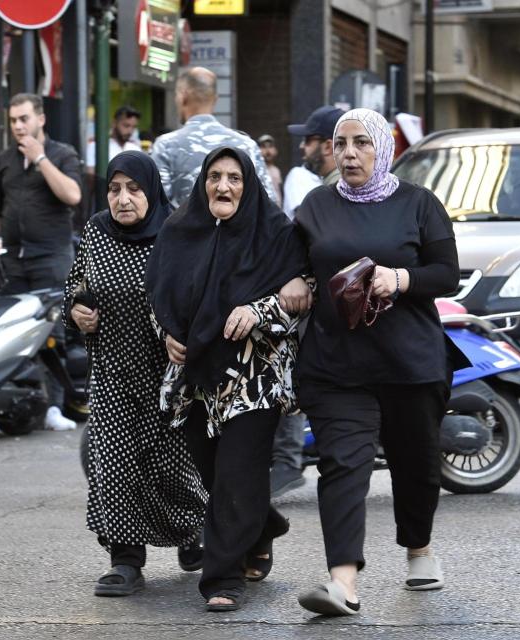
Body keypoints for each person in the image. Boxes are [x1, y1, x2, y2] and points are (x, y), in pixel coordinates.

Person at [293, 108, 464, 616]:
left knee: (416, 465)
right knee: (341, 465)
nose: (349, 153)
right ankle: (342, 582)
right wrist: (294, 280)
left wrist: (401, 279)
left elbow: (447, 273)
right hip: (335, 363)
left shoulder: (419, 204)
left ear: (383, 148)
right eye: (341, 143)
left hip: (409, 361)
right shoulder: (315, 206)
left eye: (361, 143)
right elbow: (294, 261)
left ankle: (419, 548)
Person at [146, 147, 310, 612]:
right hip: (194, 378)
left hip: (253, 376)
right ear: (203, 182)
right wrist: (167, 335)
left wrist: (255, 311)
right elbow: (157, 292)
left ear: (249, 184)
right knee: (215, 474)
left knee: (237, 474)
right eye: (215, 177)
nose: (223, 186)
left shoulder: (275, 232)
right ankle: (263, 526)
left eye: (234, 178)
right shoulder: (180, 230)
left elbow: (303, 294)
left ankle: (223, 578)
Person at [63, 151, 206, 596]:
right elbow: (75, 284)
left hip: (168, 375)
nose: (123, 199)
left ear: (151, 190)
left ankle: (191, 535)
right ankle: (125, 560)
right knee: (115, 463)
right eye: (114, 189)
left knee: (175, 464)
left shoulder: (176, 231)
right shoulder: (96, 232)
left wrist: (178, 330)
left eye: (134, 189)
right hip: (112, 372)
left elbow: (196, 291)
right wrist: (77, 310)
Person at [0, 92, 81, 431]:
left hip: (52, 257)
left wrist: (41, 159)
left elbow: (73, 195)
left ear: (41, 119)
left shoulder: (62, 154)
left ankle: (55, 406)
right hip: (14, 259)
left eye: (24, 119)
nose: (18, 126)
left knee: (53, 333)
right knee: (13, 331)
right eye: (13, 120)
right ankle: (15, 406)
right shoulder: (3, 161)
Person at [270, 105, 346, 498]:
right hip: (331, 308)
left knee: (285, 352)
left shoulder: (337, 194)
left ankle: (287, 457)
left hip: (342, 317)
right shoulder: (321, 194)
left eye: (310, 140)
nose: (303, 148)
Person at [151, 67, 276, 207]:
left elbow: (156, 206)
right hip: (238, 229)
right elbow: (268, 204)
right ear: (215, 99)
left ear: (183, 96)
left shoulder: (166, 146)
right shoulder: (247, 145)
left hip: (184, 228)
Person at [282, 106, 345, 218]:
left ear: (327, 147)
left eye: (308, 140)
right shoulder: (346, 185)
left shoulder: (338, 190)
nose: (301, 146)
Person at [85, 104, 142, 172]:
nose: (130, 131)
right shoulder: (96, 147)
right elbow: (91, 175)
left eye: (134, 127)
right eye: (126, 125)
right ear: (114, 123)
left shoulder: (135, 148)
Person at [257, 134, 283, 206]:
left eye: (270, 146)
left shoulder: (277, 171)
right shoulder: (256, 171)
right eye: (263, 147)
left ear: (275, 150)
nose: (267, 150)